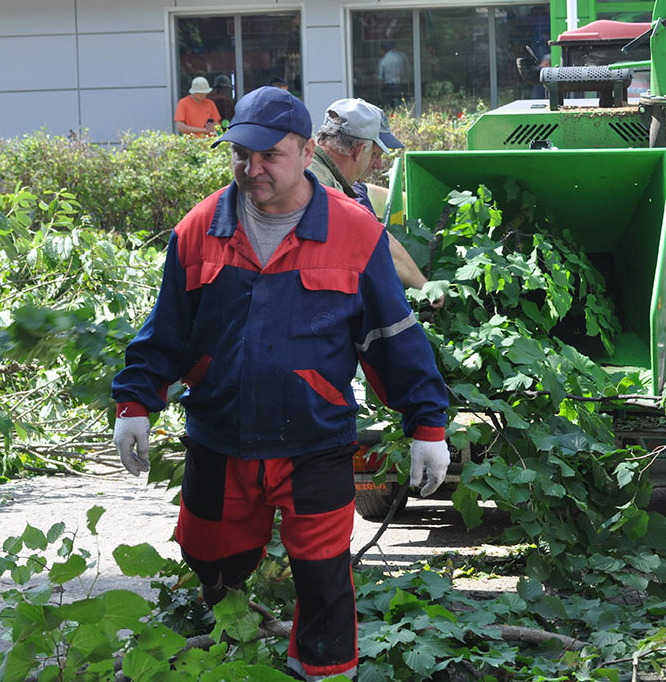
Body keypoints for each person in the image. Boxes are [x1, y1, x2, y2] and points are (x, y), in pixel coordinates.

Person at [111, 87, 450, 682]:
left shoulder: (353, 233)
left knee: (323, 580)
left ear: (306, 150)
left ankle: (320, 674)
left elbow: (391, 336)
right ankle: (232, 640)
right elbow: (167, 329)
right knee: (208, 555)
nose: (252, 168)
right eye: (241, 153)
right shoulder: (200, 229)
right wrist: (135, 402)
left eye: (269, 155)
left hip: (313, 441)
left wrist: (426, 423)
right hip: (220, 437)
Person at [310, 97, 442, 308]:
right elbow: (372, 240)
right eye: (374, 155)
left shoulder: (310, 166)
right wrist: (425, 286)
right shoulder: (321, 187)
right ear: (359, 150)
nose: (379, 165)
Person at [377, 41, 410, 109]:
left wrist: (379, 91)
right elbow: (404, 72)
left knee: (388, 106)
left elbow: (380, 78)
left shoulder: (383, 60)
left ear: (384, 50)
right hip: (399, 85)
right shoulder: (399, 57)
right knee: (400, 106)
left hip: (388, 87)